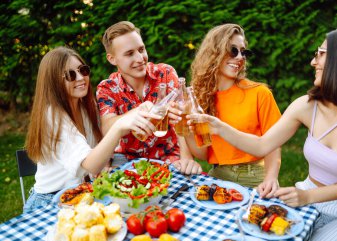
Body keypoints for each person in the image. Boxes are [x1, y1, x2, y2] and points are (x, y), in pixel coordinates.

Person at [189, 27, 337, 241]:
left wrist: (308, 196)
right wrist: (218, 126)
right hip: (306, 200)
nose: (313, 61)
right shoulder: (307, 105)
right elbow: (262, 145)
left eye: (320, 53)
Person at [24, 46, 161, 213]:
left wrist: (105, 166)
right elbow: (90, 165)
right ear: (54, 82)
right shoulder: (53, 116)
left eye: (83, 70)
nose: (81, 78)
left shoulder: (85, 107)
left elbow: (98, 152)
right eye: (70, 75)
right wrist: (118, 127)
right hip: (48, 203)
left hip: (80, 194)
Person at [183, 24, 281, 196]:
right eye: (232, 50)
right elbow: (204, 154)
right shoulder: (201, 98)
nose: (240, 57)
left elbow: (274, 144)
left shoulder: (259, 93)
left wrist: (271, 177)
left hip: (255, 175)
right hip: (218, 174)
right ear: (214, 52)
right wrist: (186, 128)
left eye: (243, 52)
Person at [96, 21, 201, 174]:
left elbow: (180, 119)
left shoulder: (165, 73)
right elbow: (107, 127)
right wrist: (137, 112)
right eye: (129, 53)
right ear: (112, 59)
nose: (140, 58)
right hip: (126, 159)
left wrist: (186, 157)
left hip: (169, 155)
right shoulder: (107, 88)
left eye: (141, 49)